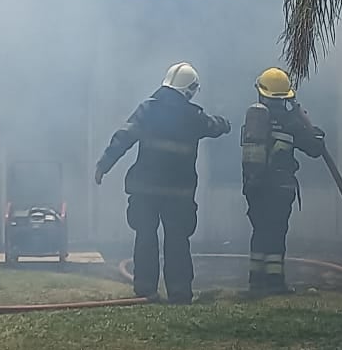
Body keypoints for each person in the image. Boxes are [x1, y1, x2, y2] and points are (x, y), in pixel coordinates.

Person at [93, 62, 231, 304]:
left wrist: (104, 164)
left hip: (145, 190)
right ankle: (179, 293)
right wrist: (225, 122)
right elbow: (214, 126)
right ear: (189, 90)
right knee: (177, 240)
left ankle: (146, 290)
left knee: (145, 236)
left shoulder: (147, 109)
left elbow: (123, 137)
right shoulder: (193, 116)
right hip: (178, 194)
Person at [239, 67, 325, 296]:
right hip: (279, 188)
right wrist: (311, 127)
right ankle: (275, 283)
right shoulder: (290, 122)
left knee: (259, 231)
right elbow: (315, 148)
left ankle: (255, 281)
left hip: (254, 186)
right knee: (276, 233)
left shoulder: (255, 119)